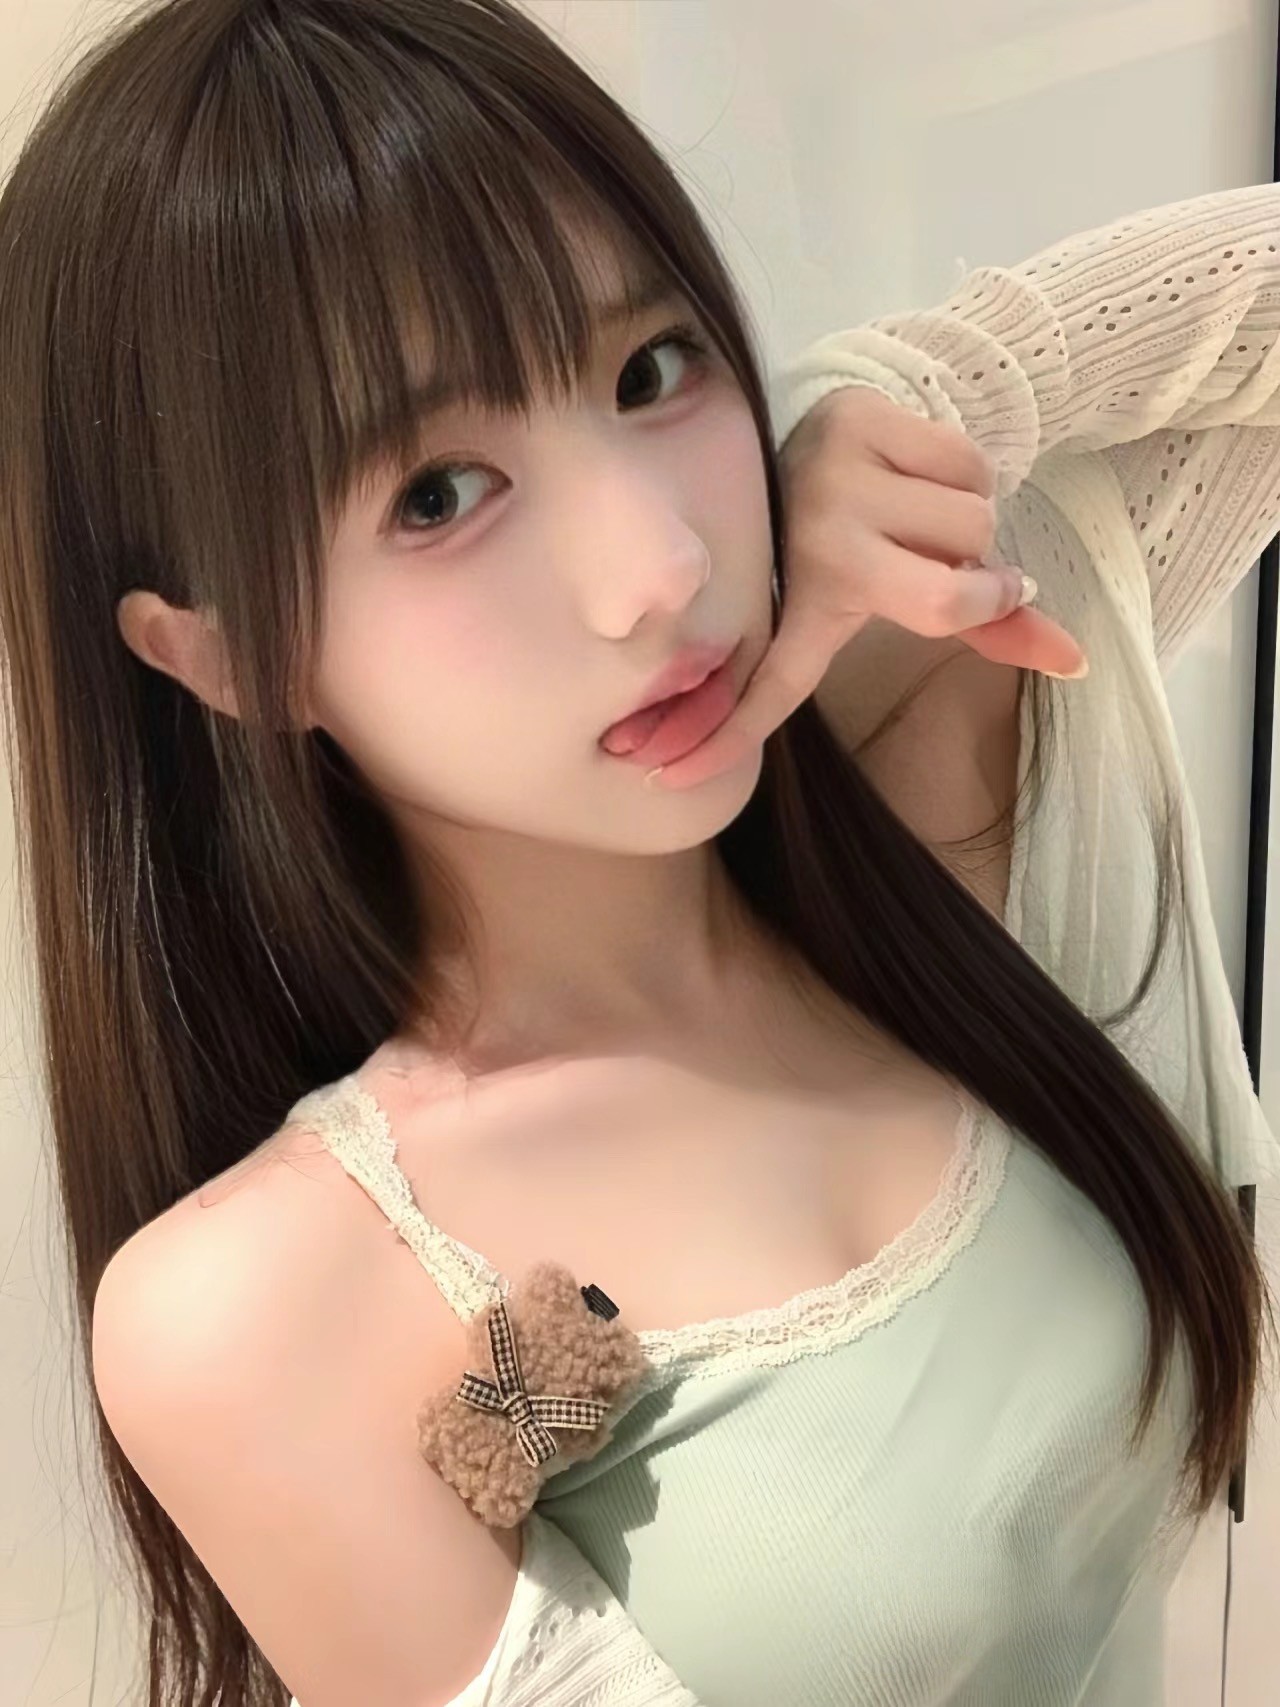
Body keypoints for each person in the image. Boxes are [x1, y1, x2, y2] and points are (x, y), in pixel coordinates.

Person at [0, 0, 1275, 1702]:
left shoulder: (905, 779)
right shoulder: (273, 1303)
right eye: (437, 494)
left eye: (651, 371)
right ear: (228, 656)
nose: (661, 567)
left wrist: (910, 397)